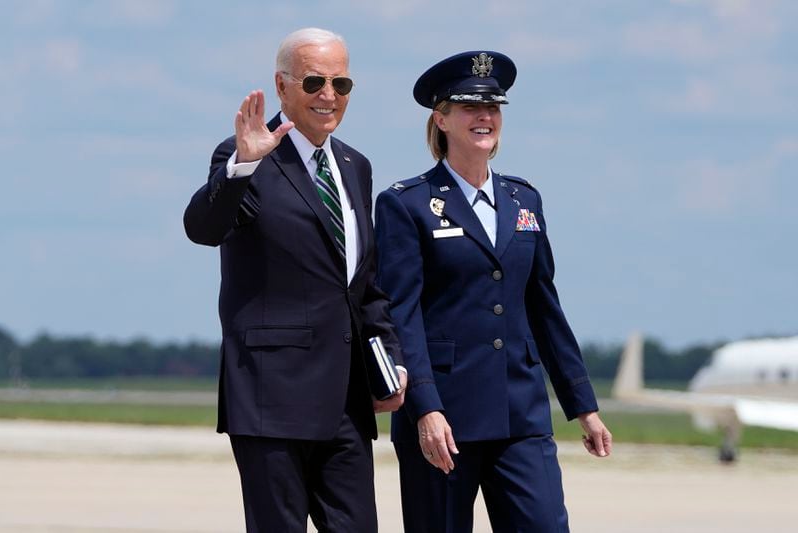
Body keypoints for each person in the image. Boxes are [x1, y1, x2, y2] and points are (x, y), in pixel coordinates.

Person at [374, 51, 612, 532]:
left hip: (519, 414)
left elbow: (543, 306)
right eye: (468, 107)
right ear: (441, 118)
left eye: (493, 107)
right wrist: (426, 407)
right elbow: (402, 315)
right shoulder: (408, 205)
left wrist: (582, 406)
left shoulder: (525, 200)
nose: (484, 117)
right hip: (445, 417)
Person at [183, 27, 406, 533]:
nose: (329, 96)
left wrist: (389, 357)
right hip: (272, 396)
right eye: (314, 82)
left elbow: (362, 282)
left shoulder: (355, 166)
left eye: (341, 84)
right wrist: (242, 165)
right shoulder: (245, 157)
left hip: (347, 399)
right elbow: (202, 228)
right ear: (282, 87)